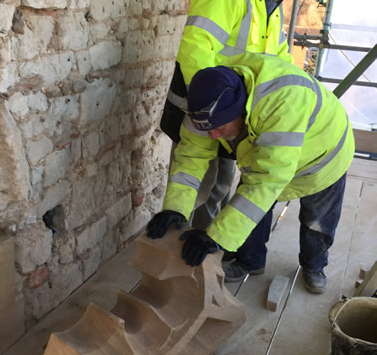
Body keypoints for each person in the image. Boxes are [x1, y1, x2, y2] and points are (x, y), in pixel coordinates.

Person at [148, 54, 354, 294]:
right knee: (248, 209)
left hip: (322, 158)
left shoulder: (283, 102)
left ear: (239, 112)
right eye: (208, 130)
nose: (214, 136)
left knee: (316, 221)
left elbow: (266, 181)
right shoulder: (206, 103)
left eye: (220, 128)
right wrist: (175, 208)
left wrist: (216, 237)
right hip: (268, 153)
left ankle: (313, 267)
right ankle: (250, 261)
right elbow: (190, 159)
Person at [160, 0, 317, 235]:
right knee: (194, 185)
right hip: (208, 112)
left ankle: (199, 253)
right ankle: (174, 252)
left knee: (218, 189)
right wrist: (213, 108)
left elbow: (280, 64)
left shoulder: (270, 8)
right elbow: (195, 50)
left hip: (236, 118)